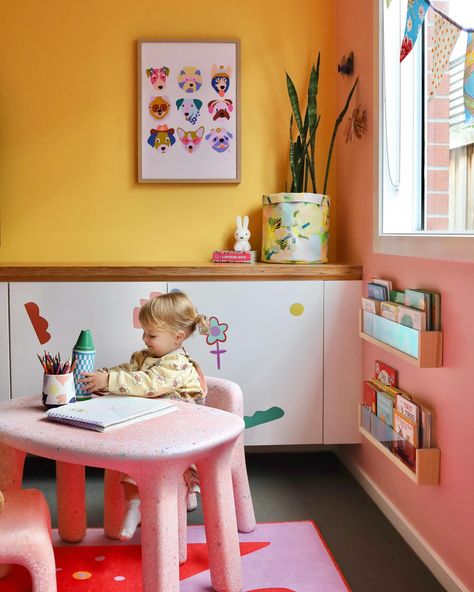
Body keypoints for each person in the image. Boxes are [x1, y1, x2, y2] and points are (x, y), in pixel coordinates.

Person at [79, 291, 209, 540]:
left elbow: (148, 383)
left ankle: (141, 505)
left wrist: (111, 381)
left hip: (179, 434)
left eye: (152, 335)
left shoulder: (178, 364)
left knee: (139, 456)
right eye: (144, 333)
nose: (145, 339)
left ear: (177, 337)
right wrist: (103, 376)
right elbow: (127, 371)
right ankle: (134, 504)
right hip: (153, 429)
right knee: (129, 454)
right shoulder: (145, 356)